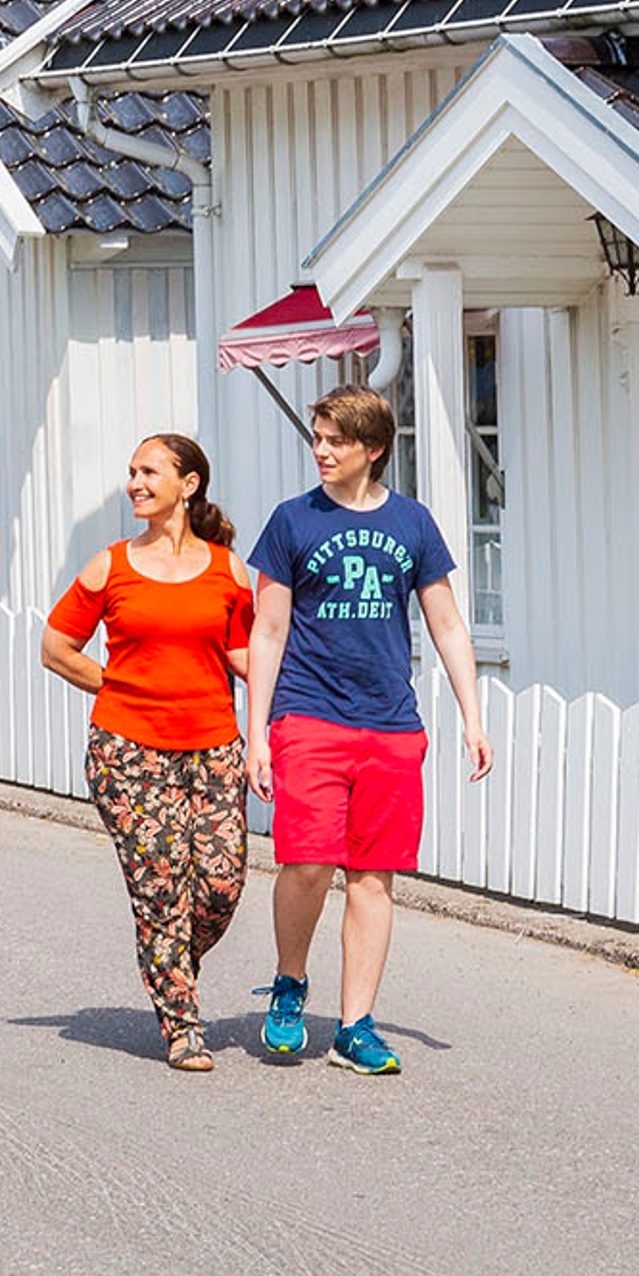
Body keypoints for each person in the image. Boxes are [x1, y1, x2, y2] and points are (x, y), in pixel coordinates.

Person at [242, 384, 494, 1075]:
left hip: (389, 724)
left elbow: (445, 621)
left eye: (336, 440)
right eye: (317, 438)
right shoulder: (292, 522)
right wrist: (257, 732)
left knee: (374, 877)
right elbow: (267, 629)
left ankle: (356, 1025)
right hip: (307, 714)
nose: (321, 450)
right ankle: (290, 985)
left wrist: (473, 716)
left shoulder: (413, 524)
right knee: (308, 861)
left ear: (373, 450)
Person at [40, 433, 256, 1071]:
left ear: (188, 485)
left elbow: (245, 655)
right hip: (128, 752)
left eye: (149, 471)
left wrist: (299, 689)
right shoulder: (110, 566)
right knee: (160, 887)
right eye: (131, 472)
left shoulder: (227, 568)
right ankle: (182, 1023)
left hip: (215, 749)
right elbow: (56, 648)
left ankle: (170, 963)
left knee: (220, 886)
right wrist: (115, 683)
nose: (135, 482)